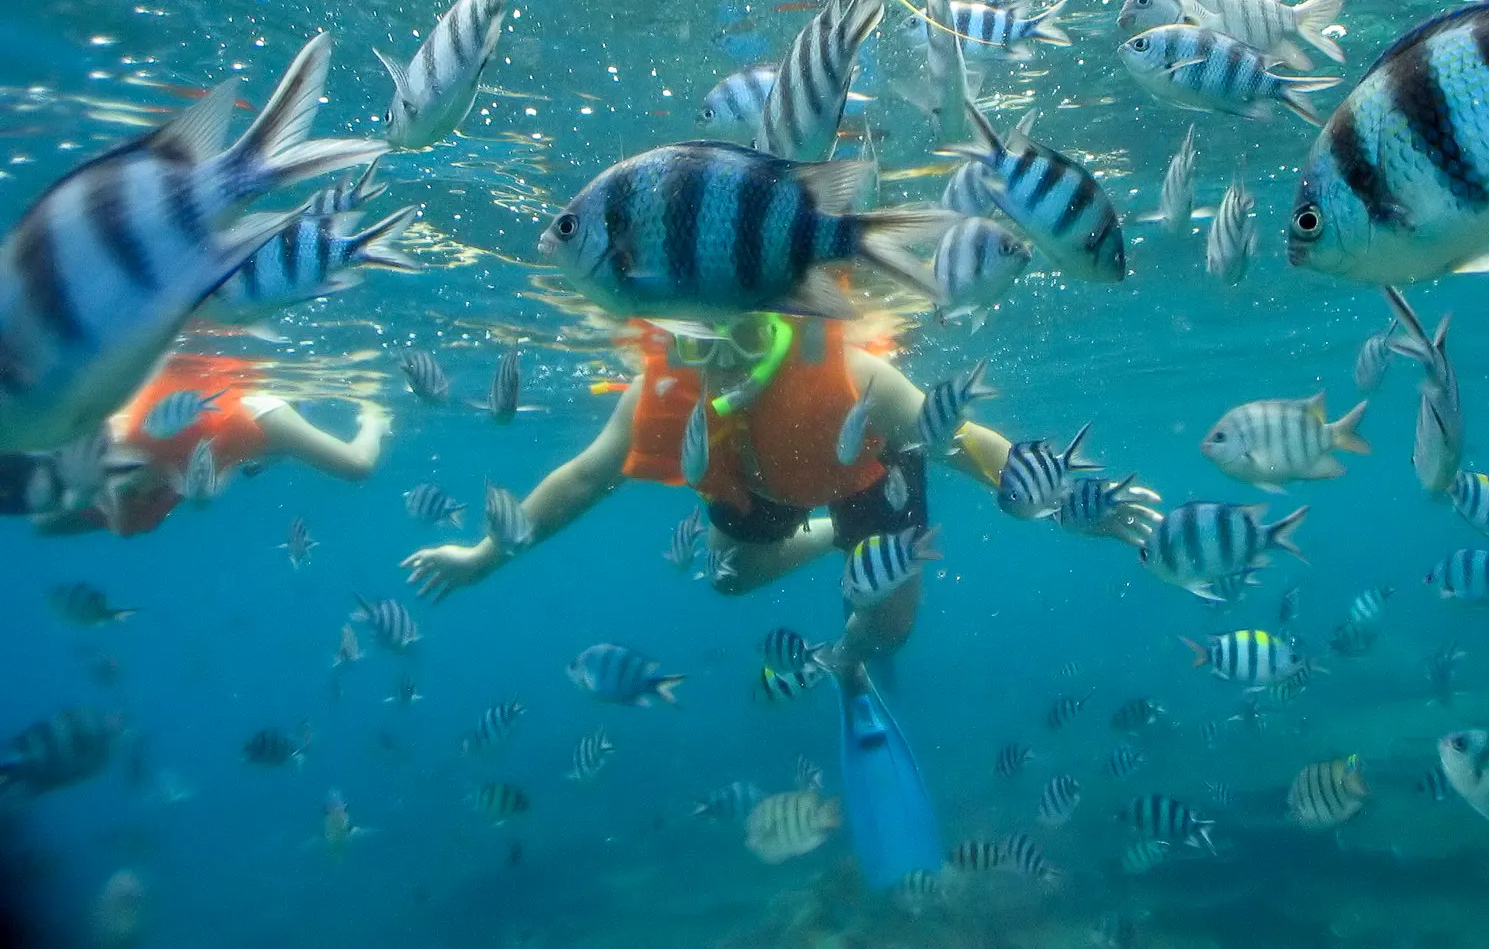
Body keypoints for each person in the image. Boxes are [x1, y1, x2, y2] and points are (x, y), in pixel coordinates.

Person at [403, 314, 1095, 661]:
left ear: (775, 326)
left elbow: (956, 437)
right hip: (756, 482)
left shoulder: (849, 373)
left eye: (742, 337)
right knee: (729, 578)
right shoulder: (663, 393)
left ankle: (853, 651)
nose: (724, 363)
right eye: (699, 344)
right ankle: (831, 542)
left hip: (869, 474)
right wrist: (480, 557)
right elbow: (585, 477)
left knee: (890, 629)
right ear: (673, 341)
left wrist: (1057, 495)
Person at [0, 353, 390, 537]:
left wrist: (373, 419)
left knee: (355, 466)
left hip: (245, 418)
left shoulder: (115, 436)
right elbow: (48, 525)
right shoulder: (104, 498)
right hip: (209, 446)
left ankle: (375, 413)